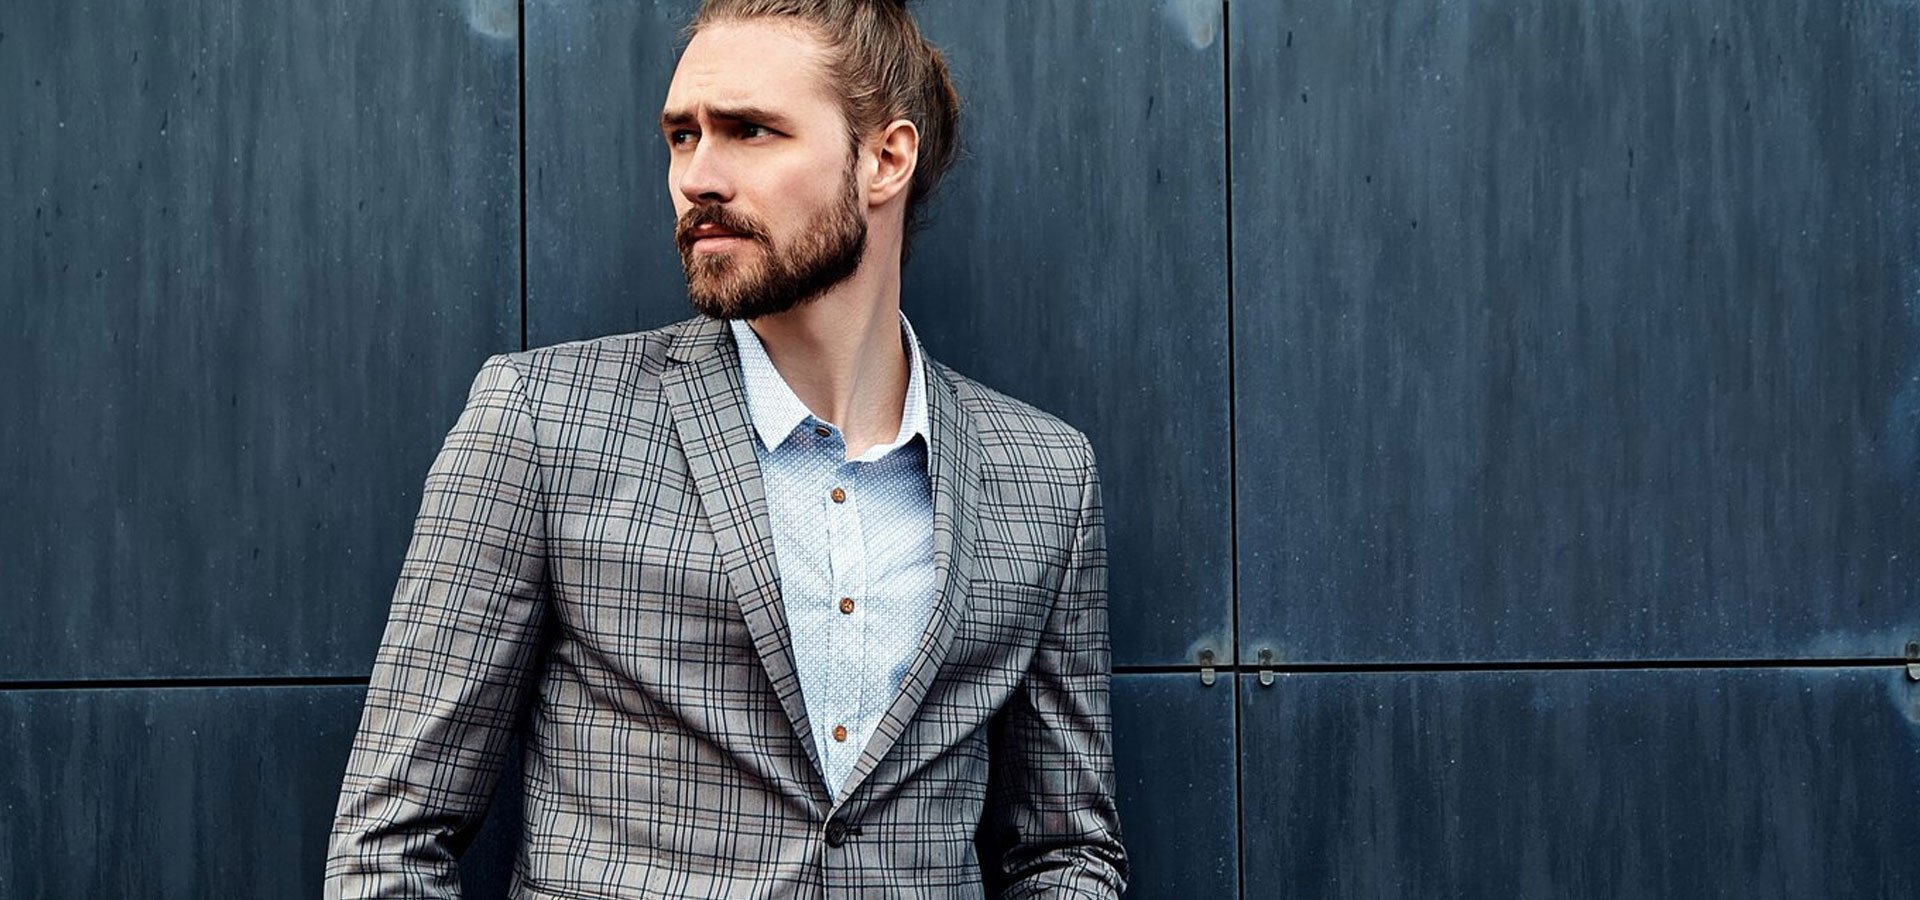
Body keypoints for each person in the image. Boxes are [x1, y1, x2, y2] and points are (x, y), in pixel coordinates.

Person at [324, 0, 1127, 896]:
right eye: (682, 136)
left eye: (750, 131)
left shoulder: (1045, 477)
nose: (698, 177)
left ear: (885, 159)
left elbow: (1064, 852)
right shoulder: (544, 422)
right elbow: (390, 840)